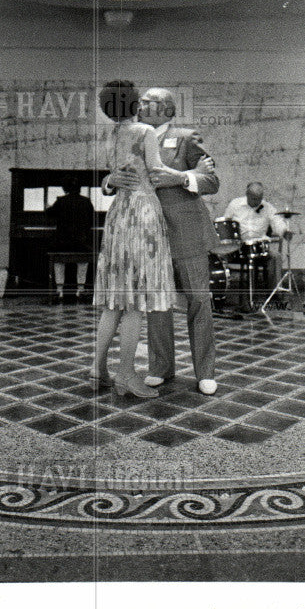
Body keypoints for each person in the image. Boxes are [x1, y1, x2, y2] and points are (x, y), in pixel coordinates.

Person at [106, 87, 220, 396]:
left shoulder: (185, 137)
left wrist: (181, 177)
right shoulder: (131, 135)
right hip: (148, 236)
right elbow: (115, 174)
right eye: (140, 100)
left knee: (198, 301)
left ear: (167, 110)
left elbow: (212, 181)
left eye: (148, 101)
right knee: (157, 304)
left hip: (187, 234)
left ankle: (205, 372)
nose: (140, 104)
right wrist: (109, 183)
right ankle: (160, 367)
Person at [92, 80, 179, 399]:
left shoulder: (111, 133)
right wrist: (185, 173)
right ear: (132, 103)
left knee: (115, 301)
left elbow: (115, 172)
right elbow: (156, 171)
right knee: (134, 304)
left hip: (118, 215)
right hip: (142, 214)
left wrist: (110, 180)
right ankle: (126, 375)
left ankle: (97, 368)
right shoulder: (145, 132)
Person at [222, 181, 292, 304]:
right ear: (247, 195)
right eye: (254, 199)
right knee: (218, 256)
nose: (257, 202)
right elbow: (225, 223)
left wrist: (284, 231)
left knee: (276, 257)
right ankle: (222, 296)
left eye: (259, 199)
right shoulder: (235, 204)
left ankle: (274, 295)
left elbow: (277, 222)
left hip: (260, 248)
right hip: (238, 247)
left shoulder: (268, 207)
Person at [46, 177, 96, 302]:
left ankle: (59, 290)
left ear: (65, 189)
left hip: (63, 243)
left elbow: (49, 213)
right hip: (81, 243)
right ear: (79, 189)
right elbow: (92, 219)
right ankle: (80, 288)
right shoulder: (86, 201)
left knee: (59, 260)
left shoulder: (61, 201)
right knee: (83, 260)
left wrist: (48, 207)